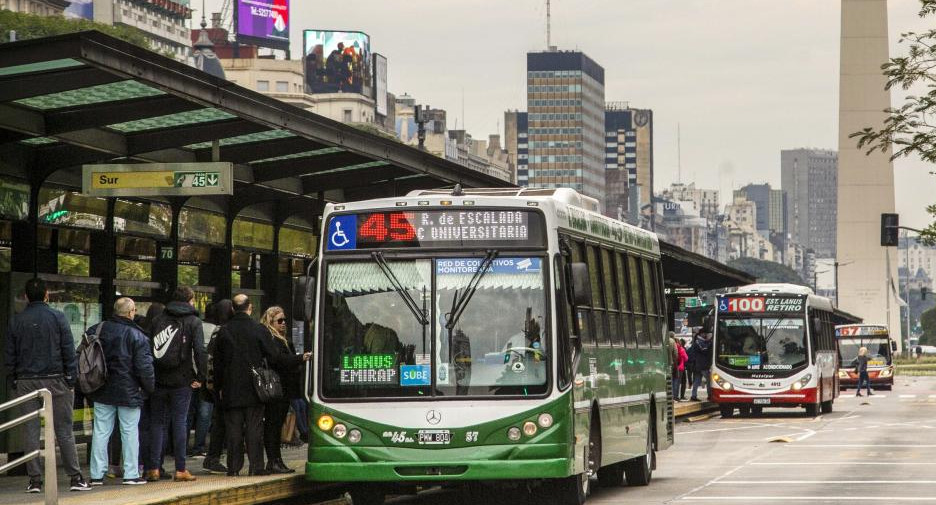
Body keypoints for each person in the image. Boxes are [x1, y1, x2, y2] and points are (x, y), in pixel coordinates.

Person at [5, 278, 91, 492]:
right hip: (56, 379)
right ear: (47, 295)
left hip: (26, 381)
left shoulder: (17, 320)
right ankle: (75, 477)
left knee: (30, 430)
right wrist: (71, 379)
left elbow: (9, 355)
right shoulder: (58, 317)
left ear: (25, 296)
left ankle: (34, 480)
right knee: (64, 430)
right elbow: (68, 350)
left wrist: (13, 379)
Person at [214, 294, 310, 476]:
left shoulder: (224, 330)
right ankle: (256, 466)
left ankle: (233, 468)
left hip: (231, 387)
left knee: (234, 429)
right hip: (254, 386)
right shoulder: (258, 329)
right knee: (254, 428)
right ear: (250, 308)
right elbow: (274, 357)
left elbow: (218, 363)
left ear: (233, 309)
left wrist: (218, 387)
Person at [87, 297, 155, 486]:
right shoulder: (137, 336)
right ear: (131, 312)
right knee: (130, 431)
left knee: (101, 431)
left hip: (100, 388)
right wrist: (149, 388)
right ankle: (131, 474)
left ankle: (96, 474)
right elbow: (145, 368)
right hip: (129, 390)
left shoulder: (97, 329)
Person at [144, 286, 207, 482]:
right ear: (189, 300)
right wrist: (201, 376)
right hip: (182, 380)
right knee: (180, 422)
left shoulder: (157, 320)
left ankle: (154, 468)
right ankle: (181, 469)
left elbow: (147, 349)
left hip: (158, 379)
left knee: (157, 423)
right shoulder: (194, 321)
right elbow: (199, 351)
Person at [259, 306, 310, 474]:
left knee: (277, 424)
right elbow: (279, 360)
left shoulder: (281, 338)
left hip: (285, 389)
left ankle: (276, 460)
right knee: (273, 426)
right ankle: (273, 460)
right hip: (277, 389)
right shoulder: (272, 339)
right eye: (279, 320)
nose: (283, 324)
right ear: (270, 321)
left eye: (284, 320)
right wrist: (300, 358)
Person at [202, 299, 233, 474]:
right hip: (222, 385)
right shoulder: (225, 332)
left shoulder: (216, 331)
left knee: (219, 421)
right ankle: (214, 457)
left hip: (214, 384)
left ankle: (214, 456)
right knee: (221, 422)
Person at [688, 332, 713, 401]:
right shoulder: (699, 342)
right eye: (704, 333)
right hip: (702, 365)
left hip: (698, 365)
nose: (705, 334)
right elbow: (704, 350)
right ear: (701, 334)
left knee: (697, 381)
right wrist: (710, 342)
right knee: (709, 380)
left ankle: (694, 396)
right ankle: (710, 395)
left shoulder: (698, 342)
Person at [671, 333, 688, 401]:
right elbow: (686, 358)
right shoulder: (681, 349)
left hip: (672, 366)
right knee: (677, 382)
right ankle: (676, 396)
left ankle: (672, 396)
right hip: (680, 367)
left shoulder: (671, 346)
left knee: (672, 381)